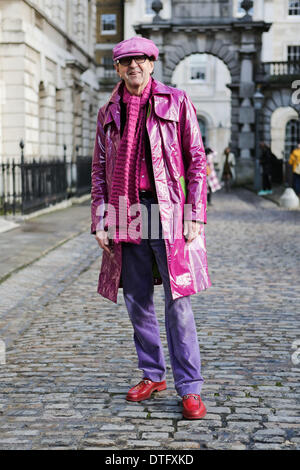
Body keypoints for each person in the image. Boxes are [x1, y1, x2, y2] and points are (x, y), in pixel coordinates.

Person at [91, 36, 211, 420]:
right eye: (126, 62)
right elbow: (97, 171)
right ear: (117, 68)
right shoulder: (108, 111)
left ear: (152, 64)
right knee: (137, 298)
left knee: (179, 301)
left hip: (169, 208)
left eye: (141, 60)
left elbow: (196, 160)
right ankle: (152, 374)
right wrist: (100, 219)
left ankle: (189, 387)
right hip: (127, 209)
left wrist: (194, 213)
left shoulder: (176, 101)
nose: (134, 67)